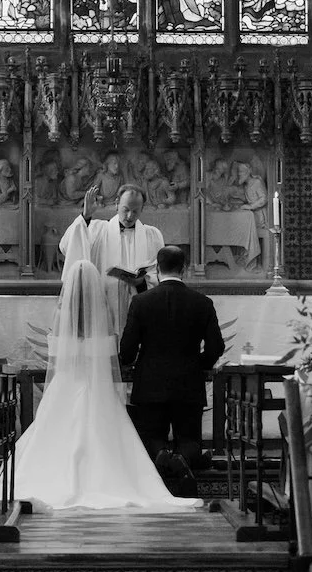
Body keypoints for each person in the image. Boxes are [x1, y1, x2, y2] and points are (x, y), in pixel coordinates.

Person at [13, 259, 202, 512]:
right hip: (97, 388)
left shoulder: (61, 313)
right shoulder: (104, 312)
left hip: (66, 386)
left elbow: (57, 359)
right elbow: (112, 355)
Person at [120, 245, 225, 475]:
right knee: (189, 439)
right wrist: (198, 365)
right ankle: (181, 458)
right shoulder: (202, 303)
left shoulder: (141, 302)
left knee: (150, 438)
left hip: (149, 384)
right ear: (184, 269)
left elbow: (127, 349)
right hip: (188, 384)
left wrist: (130, 364)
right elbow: (216, 347)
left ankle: (162, 455)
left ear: (157, 269)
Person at [59, 184, 165, 332]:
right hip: (103, 304)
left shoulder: (152, 236)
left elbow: (160, 273)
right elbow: (67, 246)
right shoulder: (97, 230)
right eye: (126, 210)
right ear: (116, 204)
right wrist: (86, 216)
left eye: (135, 211)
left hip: (139, 305)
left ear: (142, 209)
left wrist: (142, 282)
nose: (129, 216)